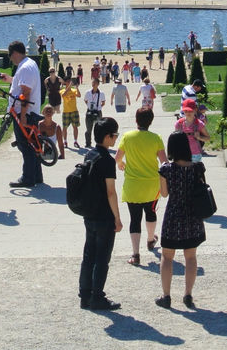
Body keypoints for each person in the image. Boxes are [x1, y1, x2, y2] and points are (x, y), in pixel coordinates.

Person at [156, 131, 206, 309]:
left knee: (167, 256)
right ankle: (188, 294)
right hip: (192, 215)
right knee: (191, 257)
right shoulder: (197, 167)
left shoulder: (166, 169)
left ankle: (166, 295)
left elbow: (164, 194)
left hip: (173, 215)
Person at [78, 117, 122, 311]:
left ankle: (85, 294)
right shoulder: (107, 161)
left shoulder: (89, 155)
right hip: (104, 214)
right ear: (107, 137)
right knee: (102, 257)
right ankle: (98, 296)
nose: (115, 139)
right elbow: (111, 192)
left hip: (89, 212)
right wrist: (118, 218)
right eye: (114, 136)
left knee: (89, 254)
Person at [115, 108, 167, 266]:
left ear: (136, 120)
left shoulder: (127, 137)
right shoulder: (156, 138)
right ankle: (151, 240)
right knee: (151, 213)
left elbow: (117, 157)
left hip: (133, 185)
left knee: (134, 218)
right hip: (152, 184)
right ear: (151, 121)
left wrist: (121, 163)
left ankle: (136, 254)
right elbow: (164, 163)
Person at [0, 41, 42, 188]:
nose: (11, 59)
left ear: (16, 53)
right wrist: (11, 80)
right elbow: (23, 86)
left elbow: (26, 93)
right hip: (30, 111)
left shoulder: (24, 68)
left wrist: (23, 116)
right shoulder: (29, 63)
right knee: (32, 144)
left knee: (25, 145)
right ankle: (37, 176)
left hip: (24, 113)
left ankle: (28, 177)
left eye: (10, 56)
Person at [84, 78, 106, 148]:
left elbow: (103, 102)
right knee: (88, 129)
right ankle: (88, 143)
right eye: (92, 82)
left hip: (98, 112)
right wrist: (89, 106)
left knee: (99, 128)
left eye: (95, 83)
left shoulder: (101, 93)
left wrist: (98, 107)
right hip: (89, 111)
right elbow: (85, 100)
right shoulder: (88, 92)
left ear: (98, 84)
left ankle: (99, 143)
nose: (93, 84)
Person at [61, 76, 81, 148]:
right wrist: (69, 87)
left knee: (75, 127)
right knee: (64, 127)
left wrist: (77, 88)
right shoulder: (62, 90)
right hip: (66, 111)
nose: (70, 83)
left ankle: (75, 141)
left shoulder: (73, 90)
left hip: (74, 111)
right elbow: (63, 95)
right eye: (68, 81)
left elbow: (79, 95)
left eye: (70, 81)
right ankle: (65, 141)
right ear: (65, 82)